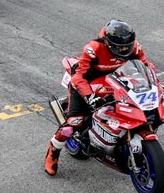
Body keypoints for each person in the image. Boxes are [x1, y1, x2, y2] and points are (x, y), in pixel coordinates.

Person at [44, 20, 156, 176]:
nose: (124, 49)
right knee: (74, 122)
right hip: (86, 82)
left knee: (135, 106)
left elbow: (146, 65)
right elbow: (78, 78)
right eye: (120, 47)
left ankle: (117, 137)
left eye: (127, 46)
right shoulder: (93, 48)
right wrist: (90, 97)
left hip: (115, 80)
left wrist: (154, 83)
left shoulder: (135, 46)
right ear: (108, 43)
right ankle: (53, 152)